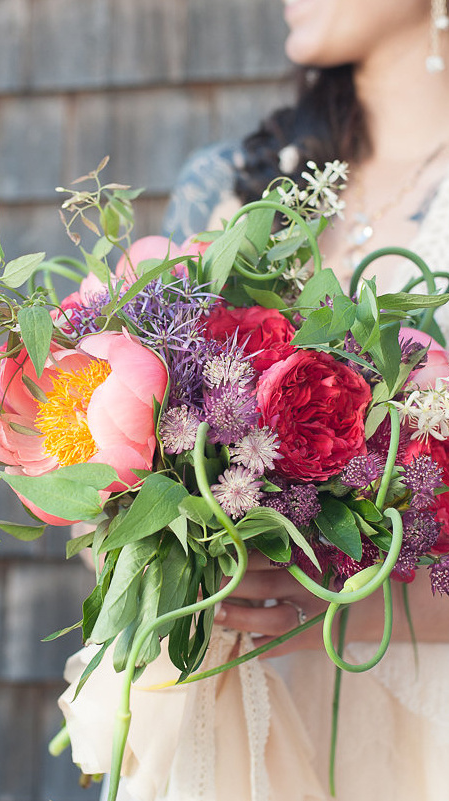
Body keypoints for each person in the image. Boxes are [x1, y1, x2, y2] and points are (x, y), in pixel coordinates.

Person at [160, 0, 449, 799]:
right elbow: (117, 458)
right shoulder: (226, 184)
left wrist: (351, 606)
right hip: (238, 724)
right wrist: (170, 555)